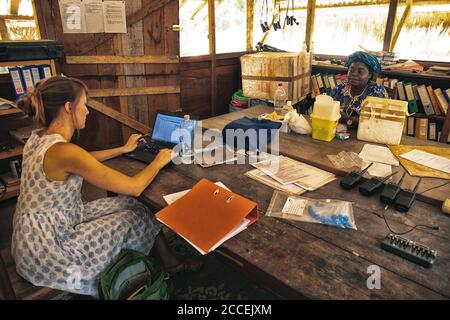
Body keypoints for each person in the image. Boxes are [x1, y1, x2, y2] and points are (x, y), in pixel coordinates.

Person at [12, 75, 201, 297]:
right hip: (50, 248)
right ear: (68, 107)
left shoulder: (39, 137)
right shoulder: (64, 151)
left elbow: (82, 158)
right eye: (84, 105)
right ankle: (135, 277)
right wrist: (158, 161)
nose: (87, 111)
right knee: (134, 215)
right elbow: (134, 187)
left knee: (134, 206)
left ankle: (168, 262)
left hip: (35, 232)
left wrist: (122, 149)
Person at [331, 51, 388, 127]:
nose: (354, 74)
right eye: (351, 70)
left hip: (366, 135)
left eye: (360, 72)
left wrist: (350, 119)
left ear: (370, 75)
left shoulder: (377, 91)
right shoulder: (339, 89)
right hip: (338, 132)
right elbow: (329, 111)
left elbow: (380, 122)